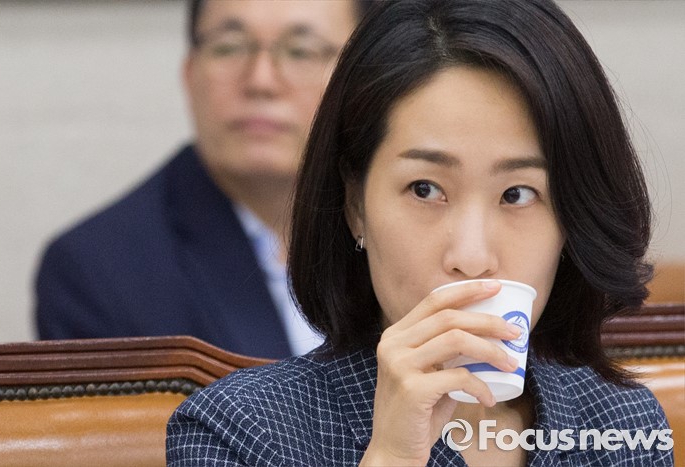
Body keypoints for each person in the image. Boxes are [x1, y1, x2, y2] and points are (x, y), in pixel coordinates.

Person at [166, 0, 674, 465]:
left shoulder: (620, 424)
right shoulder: (238, 432)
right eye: (425, 189)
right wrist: (391, 455)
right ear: (355, 205)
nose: (471, 255)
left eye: (517, 194)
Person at [35, 0, 372, 359]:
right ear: (189, 74)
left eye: (301, 51)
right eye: (228, 47)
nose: (261, 81)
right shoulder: (100, 270)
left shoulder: (406, 216)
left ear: (365, 80)